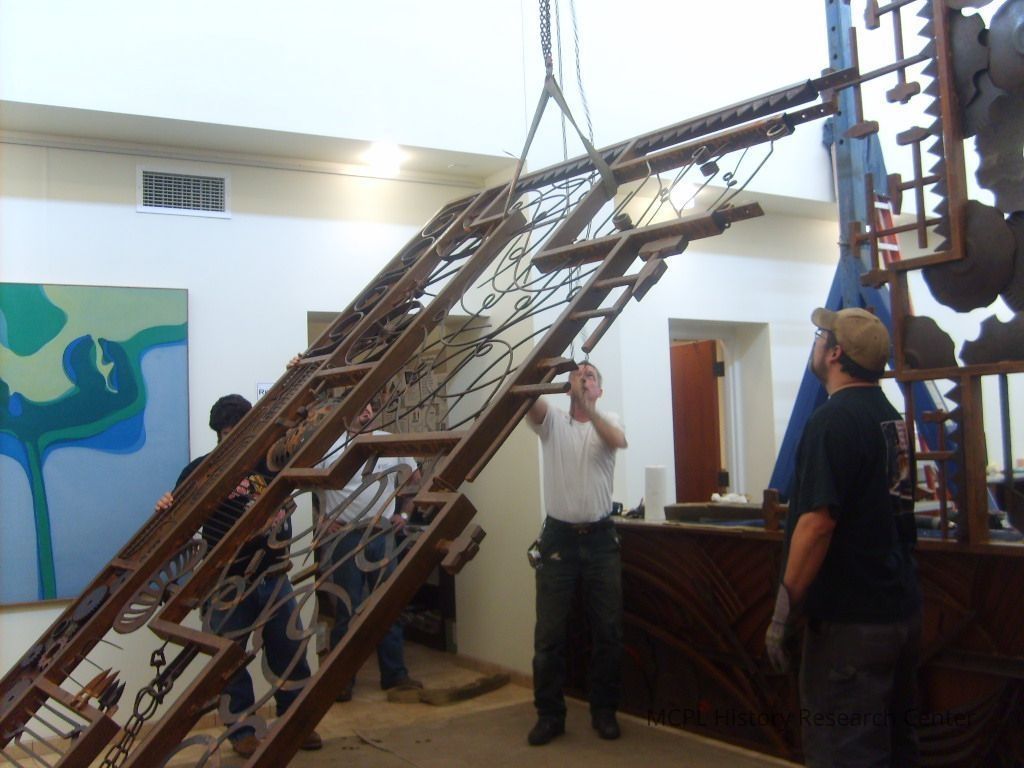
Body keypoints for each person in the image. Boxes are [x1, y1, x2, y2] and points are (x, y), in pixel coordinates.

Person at [765, 308, 921, 767]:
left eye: (821, 335)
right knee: (895, 750)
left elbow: (817, 524)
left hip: (849, 628)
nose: (815, 342)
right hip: (899, 612)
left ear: (835, 353)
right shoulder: (891, 419)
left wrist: (783, 613)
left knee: (844, 753)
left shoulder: (831, 422)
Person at [155, 394, 322, 758]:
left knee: (290, 649)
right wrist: (167, 505)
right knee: (227, 662)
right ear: (218, 433)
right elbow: (177, 520)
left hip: (273, 575)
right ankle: (242, 732)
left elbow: (309, 430)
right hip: (224, 582)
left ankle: (298, 721)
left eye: (241, 430)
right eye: (227, 433)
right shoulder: (201, 471)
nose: (233, 439)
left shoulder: (274, 461)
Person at [524, 361, 628, 746]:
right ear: (567, 385)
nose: (584, 379)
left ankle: (604, 712)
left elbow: (617, 440)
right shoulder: (553, 421)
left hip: (600, 539)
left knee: (608, 631)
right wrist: (546, 370)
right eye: (578, 375)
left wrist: (588, 406)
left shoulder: (607, 420)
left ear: (599, 390)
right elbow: (529, 402)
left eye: (591, 376)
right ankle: (549, 715)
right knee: (549, 635)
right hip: (558, 540)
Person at [316, 399, 423, 701]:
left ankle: (395, 675)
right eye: (361, 405)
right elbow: (311, 485)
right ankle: (341, 680)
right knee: (347, 608)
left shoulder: (389, 443)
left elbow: (414, 480)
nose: (366, 411)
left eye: (370, 406)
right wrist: (322, 519)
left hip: (382, 533)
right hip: (345, 536)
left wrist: (405, 514)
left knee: (387, 604)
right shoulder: (330, 447)